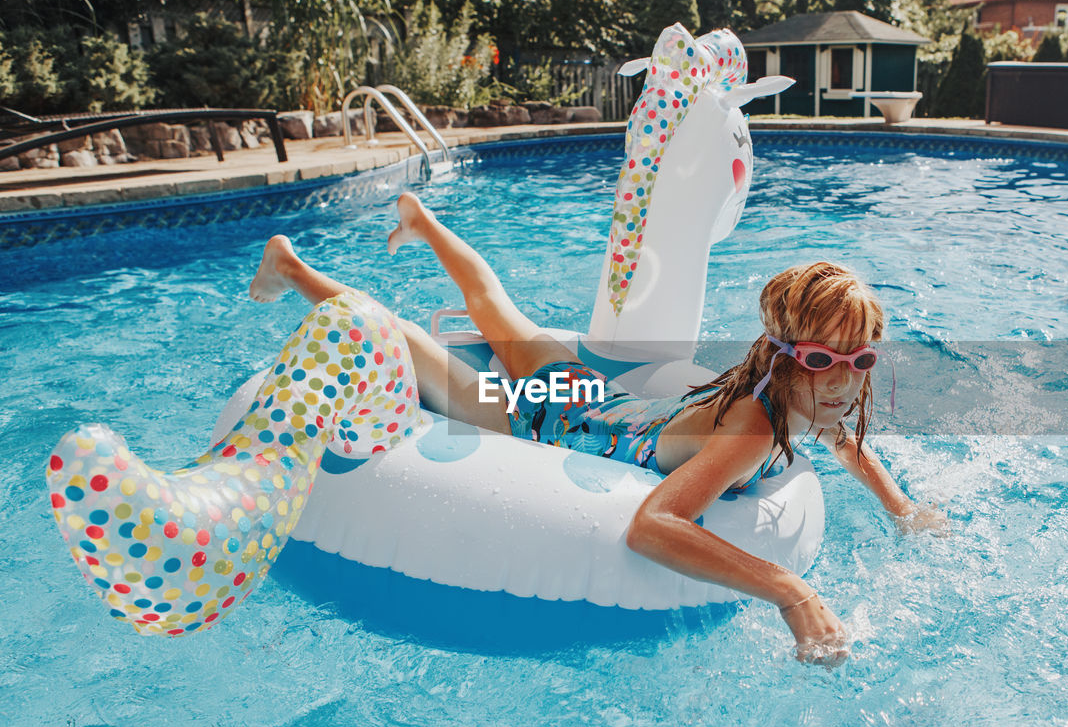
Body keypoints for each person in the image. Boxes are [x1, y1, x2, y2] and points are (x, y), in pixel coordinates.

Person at [250, 192, 945, 665]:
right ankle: (294, 268)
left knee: (498, 310)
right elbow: (651, 526)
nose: (844, 381)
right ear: (789, 358)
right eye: (824, 361)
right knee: (402, 340)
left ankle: (422, 223)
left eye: (860, 360)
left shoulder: (804, 396)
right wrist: (790, 587)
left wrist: (902, 508)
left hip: (596, 399)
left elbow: (844, 443)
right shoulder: (753, 431)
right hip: (548, 419)